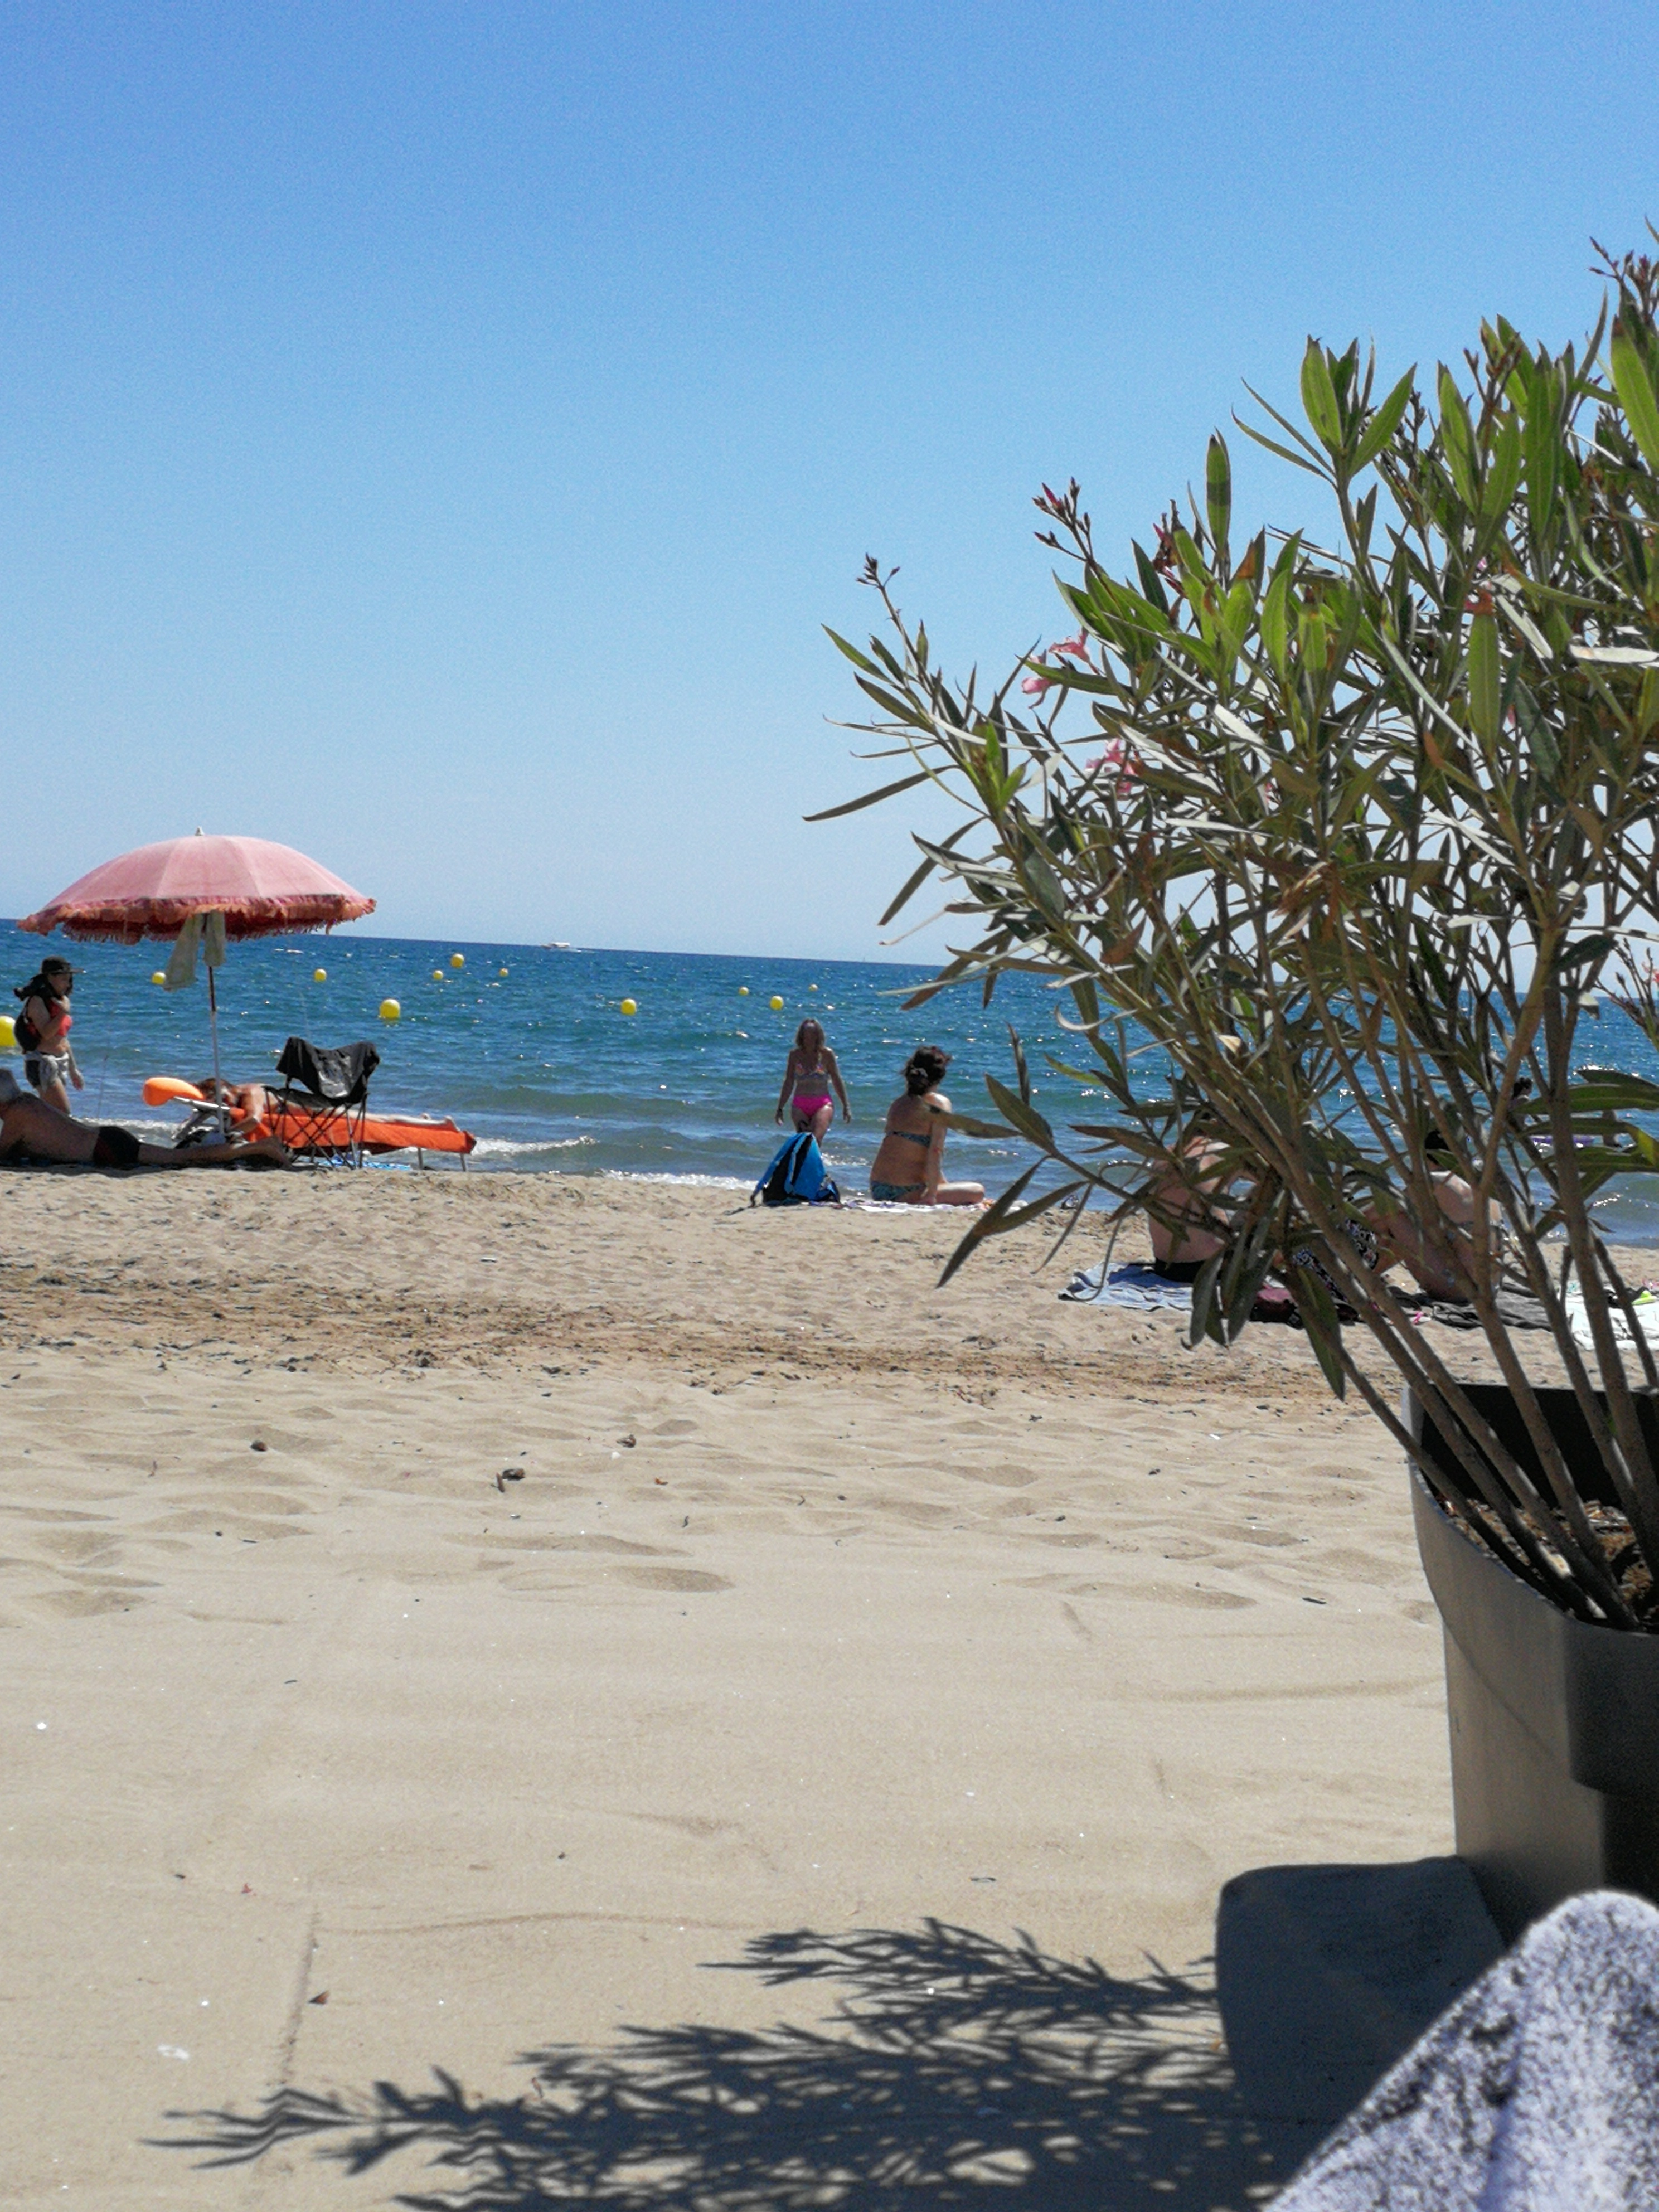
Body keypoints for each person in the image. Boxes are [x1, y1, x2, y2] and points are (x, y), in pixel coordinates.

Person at [0, 1070, 289, 1170]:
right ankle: (258, 1148)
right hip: (107, 1138)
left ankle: (261, 1147)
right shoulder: (28, 1103)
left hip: (107, 1149)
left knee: (185, 1158)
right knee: (183, 1157)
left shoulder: (17, 1115)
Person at [868, 1046, 984, 1206]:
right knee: (978, 1191)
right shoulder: (938, 1103)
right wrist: (932, 1195)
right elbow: (935, 1151)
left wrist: (944, 1186)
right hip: (906, 1192)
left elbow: (914, 1152)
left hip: (879, 1189)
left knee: (951, 1187)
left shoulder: (899, 1103)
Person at [13, 958, 83, 1113]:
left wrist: (73, 1069)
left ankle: (24, 1124)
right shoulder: (37, 1001)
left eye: (69, 980)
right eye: (64, 979)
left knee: (52, 1113)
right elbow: (47, 1034)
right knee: (62, 1112)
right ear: (50, 978)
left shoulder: (61, 1001)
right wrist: (63, 1013)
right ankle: (20, 1121)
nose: (68, 984)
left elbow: (63, 1039)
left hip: (60, 1062)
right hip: (42, 1062)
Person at [774, 1020, 851, 1143]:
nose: (809, 1039)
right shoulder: (795, 1055)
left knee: (815, 1140)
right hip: (800, 1105)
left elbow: (837, 1080)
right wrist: (780, 1107)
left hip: (822, 1104)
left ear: (818, 1036)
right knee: (804, 1142)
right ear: (801, 1036)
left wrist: (846, 1106)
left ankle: (816, 1155)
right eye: (806, 1035)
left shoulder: (827, 1055)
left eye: (813, 1035)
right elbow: (789, 1082)